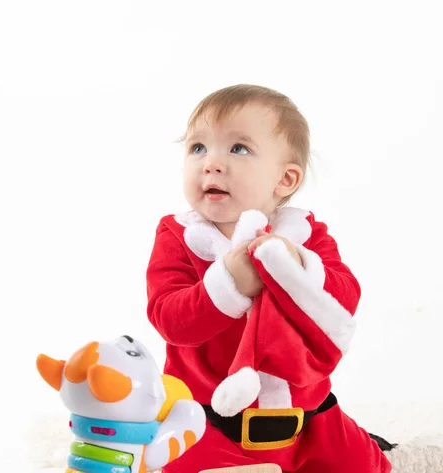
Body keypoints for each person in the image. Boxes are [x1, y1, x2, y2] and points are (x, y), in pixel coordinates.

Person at [145, 84, 393, 473]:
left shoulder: (306, 235)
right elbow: (170, 319)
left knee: (365, 465)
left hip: (308, 417)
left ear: (285, 180)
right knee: (181, 460)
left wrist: (296, 267)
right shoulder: (178, 235)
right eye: (197, 148)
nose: (210, 163)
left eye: (238, 148)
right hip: (206, 420)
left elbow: (344, 301)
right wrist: (230, 281)